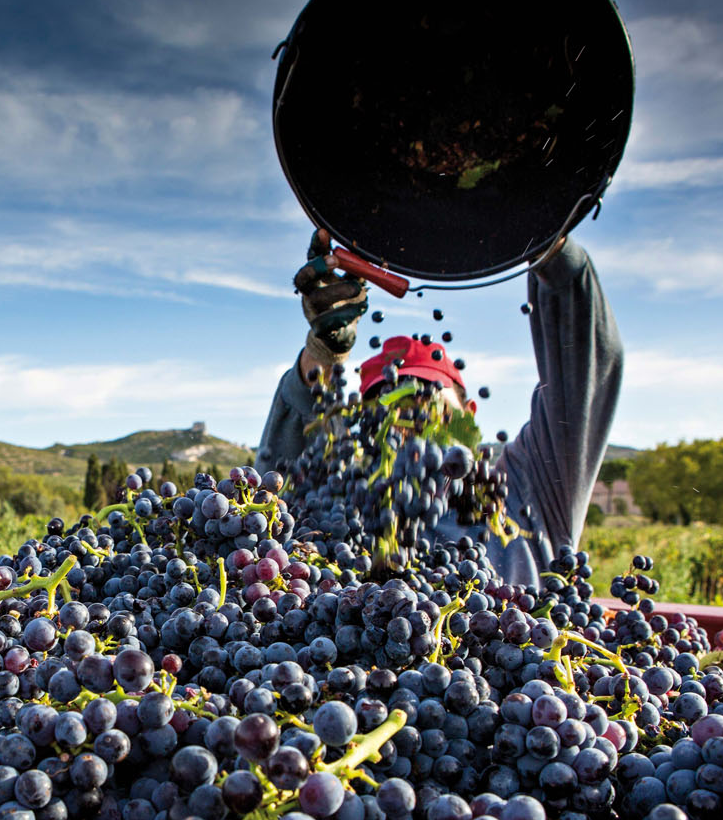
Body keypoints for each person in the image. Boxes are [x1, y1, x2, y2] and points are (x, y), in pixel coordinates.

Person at [256, 229, 624, 587]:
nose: (413, 425)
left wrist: (547, 238)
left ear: (470, 416)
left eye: (429, 402)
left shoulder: (529, 490)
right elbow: (272, 505)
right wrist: (321, 357)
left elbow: (584, 372)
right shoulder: (346, 512)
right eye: (388, 412)